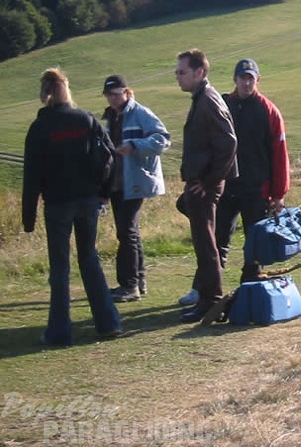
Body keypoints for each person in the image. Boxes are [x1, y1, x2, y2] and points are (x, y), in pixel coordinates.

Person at [22, 68, 122, 346]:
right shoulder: (86, 120)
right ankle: (108, 322)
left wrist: (28, 218)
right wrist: (103, 193)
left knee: (60, 268)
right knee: (89, 259)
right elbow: (110, 155)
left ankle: (59, 331)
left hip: (57, 205)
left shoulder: (40, 128)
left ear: (45, 93)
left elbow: (31, 175)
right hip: (87, 201)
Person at [178, 58, 291, 303]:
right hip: (227, 185)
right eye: (242, 77)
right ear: (235, 80)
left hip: (256, 188)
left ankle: (250, 289)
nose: (246, 82)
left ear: (258, 80)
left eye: (251, 78)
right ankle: (202, 289)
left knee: (254, 243)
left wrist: (278, 193)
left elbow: (279, 153)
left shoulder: (269, 111)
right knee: (215, 239)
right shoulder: (224, 103)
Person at [174, 49, 238, 323]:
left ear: (200, 72)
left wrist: (211, 180)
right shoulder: (202, 98)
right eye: (177, 72)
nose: (178, 77)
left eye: (182, 72)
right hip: (201, 182)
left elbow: (229, 143)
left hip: (205, 185)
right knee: (204, 242)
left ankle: (211, 301)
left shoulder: (208, 101)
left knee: (206, 243)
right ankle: (206, 298)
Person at [101, 75, 171, 303]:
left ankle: (129, 285)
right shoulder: (110, 117)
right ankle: (138, 281)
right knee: (129, 232)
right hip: (117, 183)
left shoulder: (140, 113)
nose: (112, 98)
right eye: (109, 94)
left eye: (116, 93)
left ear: (127, 92)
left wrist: (135, 146)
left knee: (126, 232)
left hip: (135, 181)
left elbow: (163, 139)